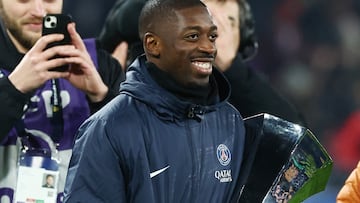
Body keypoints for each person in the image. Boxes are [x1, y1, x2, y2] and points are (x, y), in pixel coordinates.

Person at [64, 0, 246, 202]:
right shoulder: (108, 128)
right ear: (153, 45)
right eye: (192, 36)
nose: (208, 47)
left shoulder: (230, 121)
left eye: (212, 37)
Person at [98, 0, 306, 126]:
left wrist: (229, 66)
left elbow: (296, 141)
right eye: (207, 14)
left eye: (229, 21)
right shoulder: (145, 74)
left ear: (241, 40)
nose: (215, 27)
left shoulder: (247, 95)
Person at [0, 0, 125, 201]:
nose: (39, 11)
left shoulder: (98, 64)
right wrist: (14, 89)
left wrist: (102, 98)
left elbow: (138, 158)